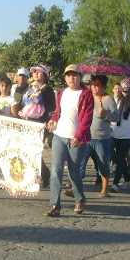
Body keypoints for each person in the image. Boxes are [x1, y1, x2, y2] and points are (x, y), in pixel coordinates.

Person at [44, 65, 94, 217]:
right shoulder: (61, 93)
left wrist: (78, 137)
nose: (72, 78)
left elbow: (87, 119)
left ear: (80, 77)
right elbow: (58, 112)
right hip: (59, 136)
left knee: (74, 172)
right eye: (69, 75)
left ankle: (79, 199)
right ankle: (55, 205)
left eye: (75, 75)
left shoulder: (86, 94)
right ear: (65, 78)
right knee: (56, 171)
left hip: (77, 139)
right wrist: (53, 120)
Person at [79, 74, 119, 197]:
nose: (94, 88)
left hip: (102, 138)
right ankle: (76, 187)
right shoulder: (87, 97)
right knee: (80, 162)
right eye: (93, 85)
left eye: (97, 86)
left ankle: (105, 188)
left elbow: (116, 118)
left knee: (103, 163)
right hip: (86, 137)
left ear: (104, 87)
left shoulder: (109, 100)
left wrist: (105, 113)